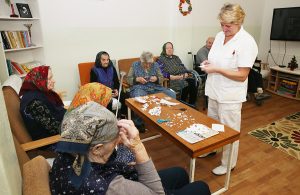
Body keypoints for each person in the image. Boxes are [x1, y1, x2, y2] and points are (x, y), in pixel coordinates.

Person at [49, 101, 211, 195]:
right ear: (97, 148)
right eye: (115, 139)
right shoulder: (108, 187)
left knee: (180, 173)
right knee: (201, 187)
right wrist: (138, 146)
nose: (119, 141)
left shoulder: (68, 149)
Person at [201, 3, 258, 175]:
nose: (224, 29)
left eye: (228, 26)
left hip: (230, 96)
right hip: (214, 90)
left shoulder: (247, 42)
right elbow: (217, 59)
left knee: (229, 131)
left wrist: (216, 69)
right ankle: (211, 149)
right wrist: (209, 64)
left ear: (239, 22)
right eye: (222, 24)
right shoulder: (219, 36)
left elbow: (242, 75)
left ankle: (228, 164)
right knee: (212, 125)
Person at [127, 51, 176, 131]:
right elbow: (128, 79)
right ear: (141, 61)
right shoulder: (135, 65)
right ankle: (138, 122)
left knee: (171, 94)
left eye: (150, 63)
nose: (148, 65)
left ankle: (164, 117)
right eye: (146, 63)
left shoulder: (155, 65)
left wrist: (156, 79)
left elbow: (161, 78)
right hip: (140, 87)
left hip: (155, 87)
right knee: (139, 98)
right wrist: (137, 79)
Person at [19, 66, 66, 141]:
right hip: (52, 143)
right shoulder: (34, 103)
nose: (54, 81)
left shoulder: (42, 92)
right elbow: (54, 129)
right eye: (50, 78)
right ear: (39, 80)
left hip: (61, 131)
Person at [157, 42, 198, 106]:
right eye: (167, 48)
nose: (169, 49)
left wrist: (185, 73)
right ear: (164, 49)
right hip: (172, 79)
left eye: (171, 48)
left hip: (182, 76)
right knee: (186, 84)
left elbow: (182, 66)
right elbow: (162, 73)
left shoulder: (176, 58)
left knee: (194, 81)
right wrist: (177, 77)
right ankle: (183, 103)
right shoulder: (161, 59)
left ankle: (191, 104)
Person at [90, 51, 127, 117]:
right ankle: (109, 120)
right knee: (108, 103)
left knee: (126, 97)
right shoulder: (94, 70)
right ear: (99, 60)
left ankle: (123, 116)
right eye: (103, 60)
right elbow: (94, 86)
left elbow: (116, 82)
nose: (106, 62)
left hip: (113, 91)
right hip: (101, 93)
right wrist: (106, 93)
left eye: (107, 59)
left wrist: (117, 90)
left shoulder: (112, 68)